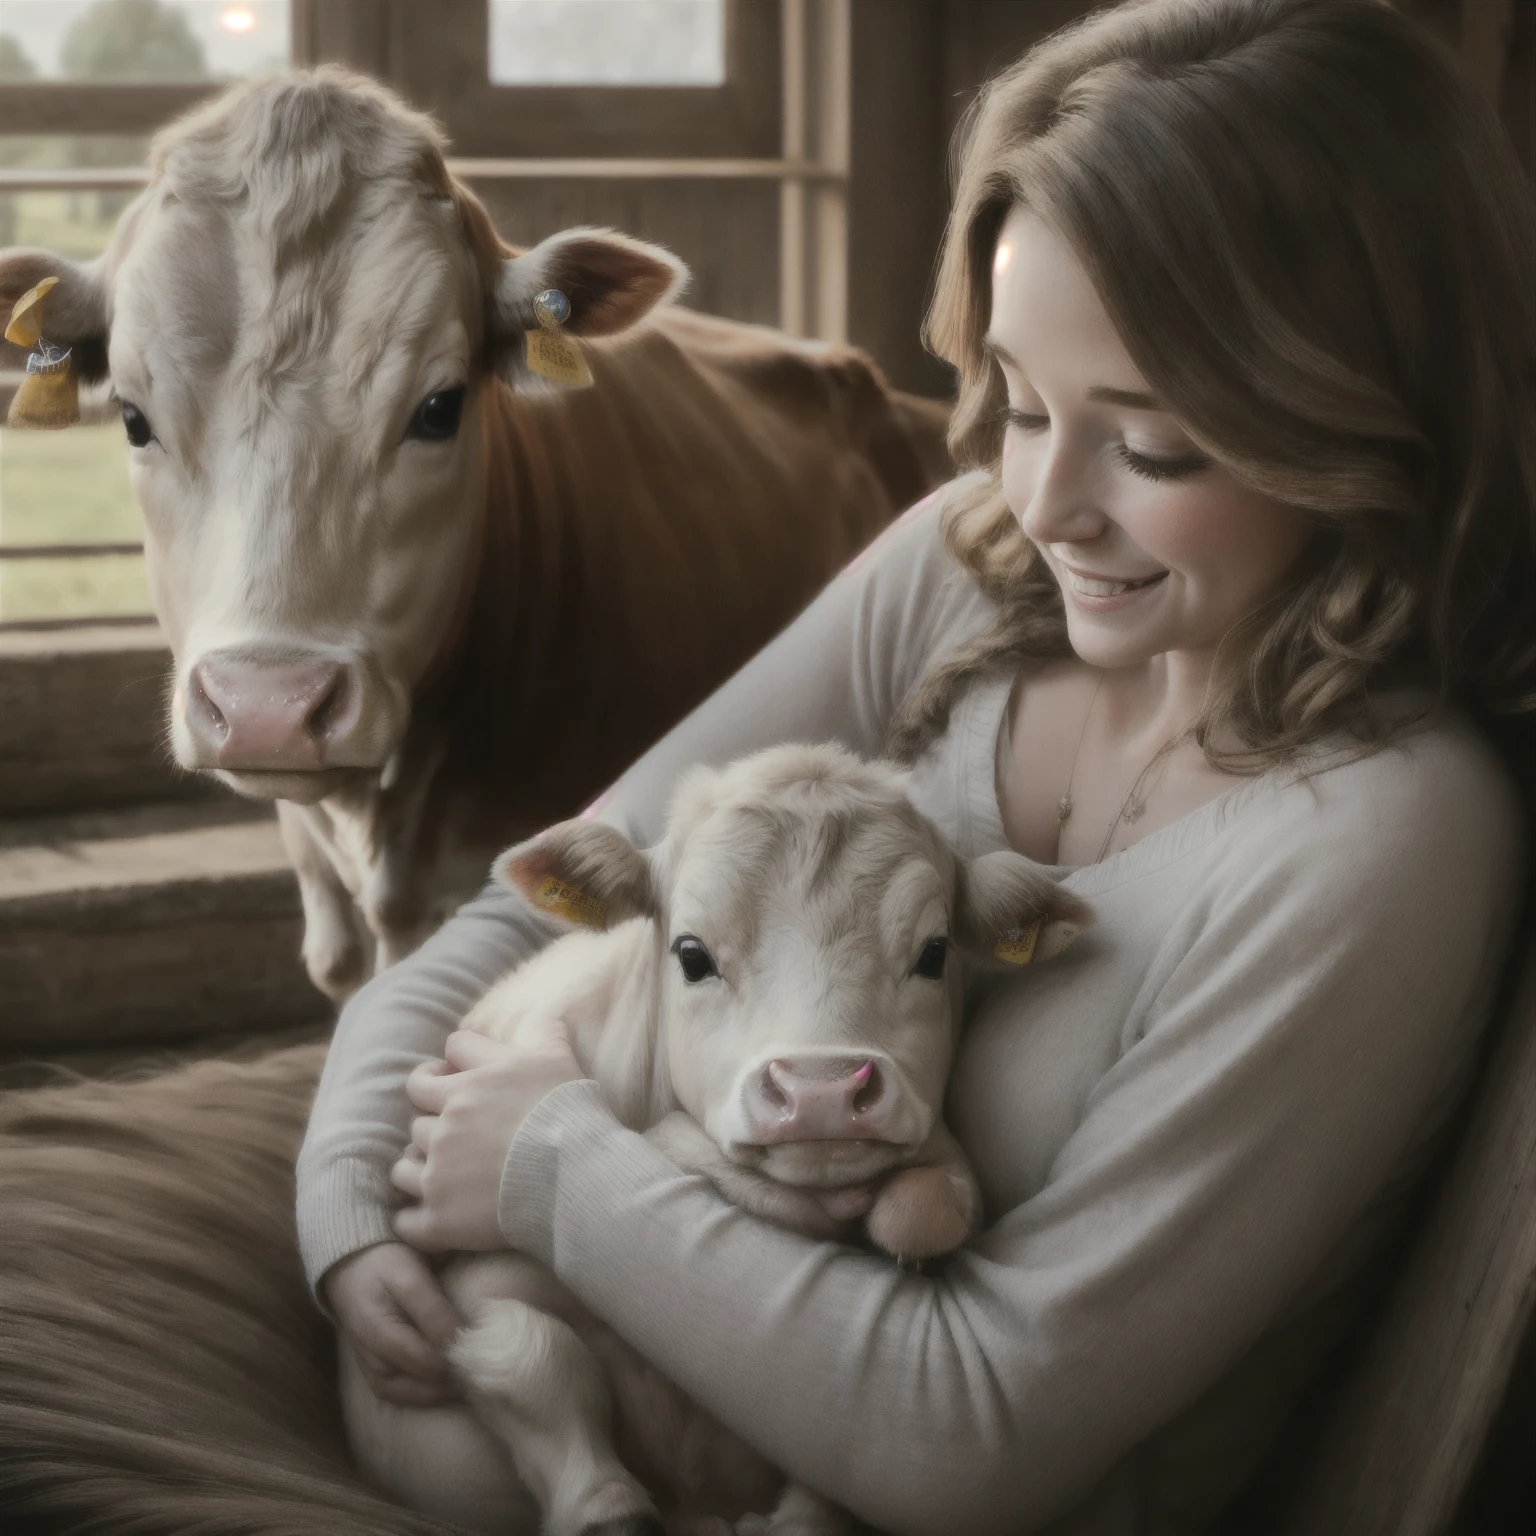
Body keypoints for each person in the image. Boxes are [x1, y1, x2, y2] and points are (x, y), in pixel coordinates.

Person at [296, 0, 1536, 1531]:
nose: (1046, 498)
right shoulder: (965, 570)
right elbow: (524, 917)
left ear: (1370, 429)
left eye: (1150, 448)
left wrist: (552, 1171)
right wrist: (353, 1198)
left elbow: (977, 1437)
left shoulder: (1384, 837)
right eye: (1017, 399)